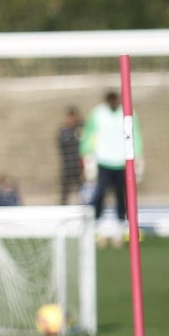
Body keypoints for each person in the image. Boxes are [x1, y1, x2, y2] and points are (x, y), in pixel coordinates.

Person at [82, 89, 143, 246]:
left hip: (122, 162)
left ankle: (120, 227)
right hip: (103, 161)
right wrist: (85, 153)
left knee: (122, 195)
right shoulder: (97, 113)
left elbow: (135, 133)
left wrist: (138, 154)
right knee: (100, 193)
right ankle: (97, 226)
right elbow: (89, 133)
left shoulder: (129, 113)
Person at [57, 107, 84, 204]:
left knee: (81, 188)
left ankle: (84, 204)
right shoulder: (64, 132)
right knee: (65, 189)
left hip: (79, 165)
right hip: (67, 164)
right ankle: (62, 206)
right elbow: (60, 146)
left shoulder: (81, 129)